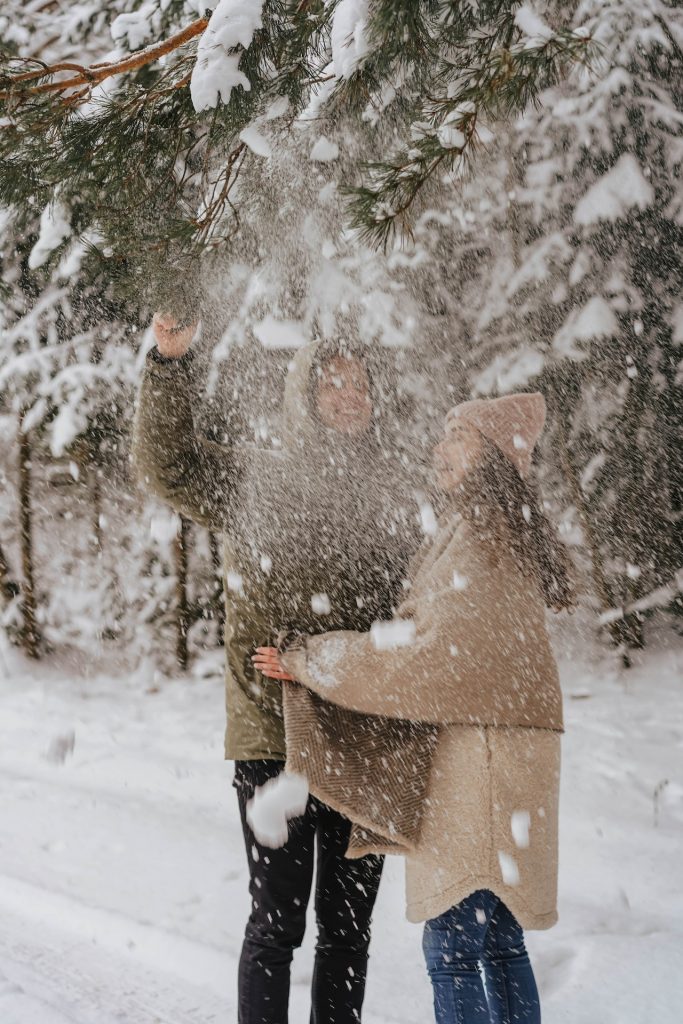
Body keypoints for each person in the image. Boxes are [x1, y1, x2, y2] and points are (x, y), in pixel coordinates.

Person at [131, 312, 421, 1024]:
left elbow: (414, 612)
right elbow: (165, 467)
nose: (350, 396)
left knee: (347, 934)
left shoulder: (390, 491)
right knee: (276, 929)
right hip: (274, 739)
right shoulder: (257, 476)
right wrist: (168, 367)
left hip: (363, 738)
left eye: (361, 385)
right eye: (333, 385)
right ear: (304, 395)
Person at [253, 392, 575, 1024]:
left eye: (457, 437)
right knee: (499, 940)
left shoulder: (481, 541)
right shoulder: (493, 530)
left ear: (490, 457)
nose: (439, 447)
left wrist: (311, 659)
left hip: (481, 756)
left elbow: (418, 660)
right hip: (509, 746)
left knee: (454, 942)